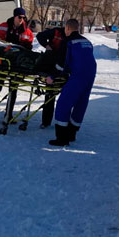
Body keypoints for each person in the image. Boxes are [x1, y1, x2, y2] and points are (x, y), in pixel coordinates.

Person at [48, 18, 97, 146]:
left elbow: (61, 63)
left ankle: (61, 138)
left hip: (78, 76)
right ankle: (71, 134)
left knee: (63, 104)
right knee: (81, 103)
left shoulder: (68, 41)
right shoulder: (87, 41)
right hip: (90, 75)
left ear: (68, 28)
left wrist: (52, 77)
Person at [0, 7, 34, 121]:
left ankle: (8, 115)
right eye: (19, 17)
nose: (21, 19)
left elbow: (28, 48)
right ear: (14, 16)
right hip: (2, 61)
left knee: (13, 88)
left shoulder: (27, 32)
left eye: (23, 17)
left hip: (17, 63)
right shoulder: (3, 26)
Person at [35, 22, 67, 128]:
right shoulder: (56, 32)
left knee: (66, 96)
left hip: (64, 67)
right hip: (52, 65)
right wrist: (47, 46)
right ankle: (46, 122)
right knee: (50, 94)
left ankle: (64, 121)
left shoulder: (72, 37)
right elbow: (39, 36)